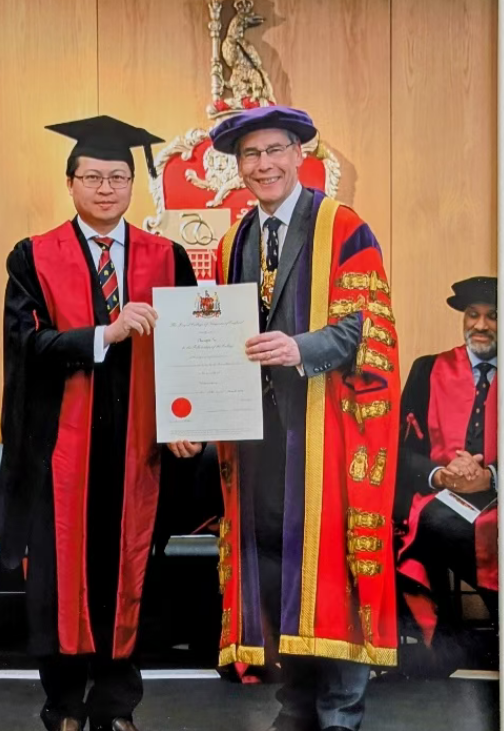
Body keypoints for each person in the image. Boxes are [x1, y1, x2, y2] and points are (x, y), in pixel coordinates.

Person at [172, 105, 400, 731]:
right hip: (259, 444)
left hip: (325, 431)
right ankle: (296, 705)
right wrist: (193, 413)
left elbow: (364, 328)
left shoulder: (343, 227)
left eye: (275, 150)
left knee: (333, 572)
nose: (263, 164)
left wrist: (300, 348)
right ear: (238, 166)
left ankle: (340, 712)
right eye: (251, 154)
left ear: (300, 155)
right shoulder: (233, 241)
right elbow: (217, 346)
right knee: (279, 572)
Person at [0, 115, 197, 731]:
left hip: (139, 447)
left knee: (130, 574)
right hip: (63, 449)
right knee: (60, 582)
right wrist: (102, 335)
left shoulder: (168, 256)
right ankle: (63, 706)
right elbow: (26, 344)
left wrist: (191, 420)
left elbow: (191, 348)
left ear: (133, 184)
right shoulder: (33, 255)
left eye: (117, 177)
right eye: (92, 177)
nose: (106, 188)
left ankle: (116, 709)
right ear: (70, 183)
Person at [396, 276, 498, 664]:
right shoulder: (429, 370)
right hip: (441, 493)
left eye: (492, 316)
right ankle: (445, 634)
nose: (481, 325)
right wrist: (441, 474)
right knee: (430, 519)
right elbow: (402, 450)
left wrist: (491, 476)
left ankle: (458, 639)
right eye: (473, 315)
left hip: (496, 497)